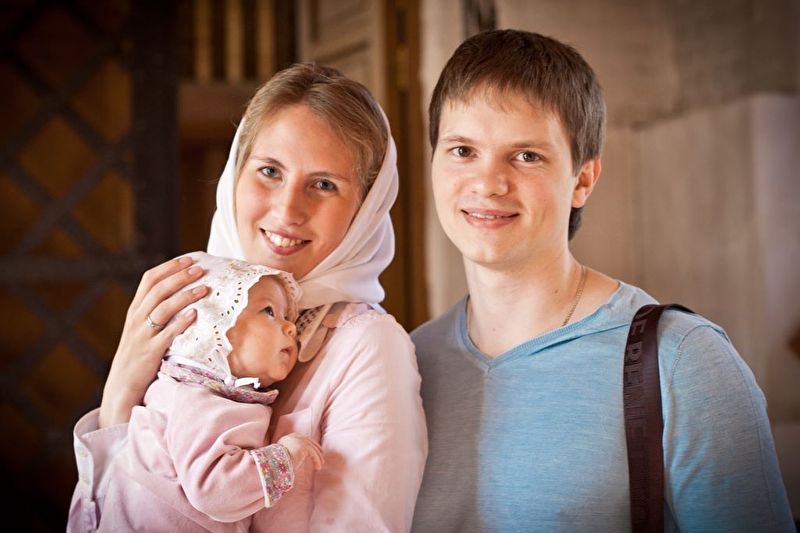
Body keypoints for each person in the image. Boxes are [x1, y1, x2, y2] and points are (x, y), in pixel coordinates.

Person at [410, 29, 794, 532]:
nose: (487, 183)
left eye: (527, 155)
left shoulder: (684, 362)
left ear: (583, 180)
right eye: (462, 150)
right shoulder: (406, 363)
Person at [69, 63, 427, 533]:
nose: (287, 210)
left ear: (367, 207)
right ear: (235, 173)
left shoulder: (368, 346)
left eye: (324, 184)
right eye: (270, 171)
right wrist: (121, 394)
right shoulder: (192, 310)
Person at [85, 251, 324, 531]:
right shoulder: (196, 401)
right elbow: (213, 491)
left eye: (288, 317)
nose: (291, 328)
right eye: (269, 311)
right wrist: (285, 457)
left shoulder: (200, 396)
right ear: (214, 326)